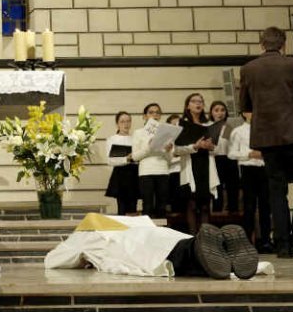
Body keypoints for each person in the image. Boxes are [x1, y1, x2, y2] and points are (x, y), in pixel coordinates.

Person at [239, 26, 293, 257]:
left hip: (267, 139)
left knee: (276, 191)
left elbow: (244, 106)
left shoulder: (248, 69)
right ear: (283, 44)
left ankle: (282, 245)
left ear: (261, 44)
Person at [47, 215, 261, 281]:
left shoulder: (88, 233)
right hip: (163, 234)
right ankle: (219, 247)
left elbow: (54, 260)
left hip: (131, 246)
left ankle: (204, 251)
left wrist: (82, 258)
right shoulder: (133, 221)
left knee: (166, 258)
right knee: (180, 246)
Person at [228, 110, 271, 252]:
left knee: (266, 206)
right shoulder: (238, 131)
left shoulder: (266, 129)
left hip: (264, 169)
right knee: (249, 206)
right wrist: (249, 154)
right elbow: (231, 153)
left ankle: (266, 241)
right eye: (250, 111)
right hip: (248, 169)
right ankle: (247, 242)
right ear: (244, 114)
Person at [177, 93, 219, 232]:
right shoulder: (182, 124)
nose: (198, 103)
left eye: (200, 101)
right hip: (191, 165)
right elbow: (176, 150)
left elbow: (218, 148)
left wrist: (211, 146)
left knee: (206, 205)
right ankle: (193, 239)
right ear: (187, 105)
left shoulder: (209, 125)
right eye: (194, 101)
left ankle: (206, 240)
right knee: (193, 204)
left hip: (205, 164)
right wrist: (195, 146)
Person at [131, 104, 172, 219]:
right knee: (147, 206)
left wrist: (167, 151)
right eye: (151, 112)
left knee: (162, 206)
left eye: (157, 112)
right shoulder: (138, 132)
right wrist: (149, 147)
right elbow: (135, 157)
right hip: (146, 172)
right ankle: (147, 234)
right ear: (144, 116)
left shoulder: (166, 133)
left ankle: (162, 234)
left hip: (163, 171)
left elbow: (169, 159)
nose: (154, 115)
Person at [103, 111, 139, 215]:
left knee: (133, 207)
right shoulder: (112, 139)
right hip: (121, 174)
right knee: (122, 207)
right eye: (122, 121)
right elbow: (110, 160)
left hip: (134, 173)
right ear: (117, 124)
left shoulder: (135, 139)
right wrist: (126, 159)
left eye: (128, 121)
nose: (126, 124)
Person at [209, 101, 239, 215]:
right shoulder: (209, 127)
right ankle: (217, 212)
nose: (220, 113)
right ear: (211, 112)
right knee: (217, 188)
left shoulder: (228, 127)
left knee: (232, 188)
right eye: (216, 110)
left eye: (222, 110)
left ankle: (233, 212)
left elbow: (229, 145)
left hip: (229, 159)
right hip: (215, 159)